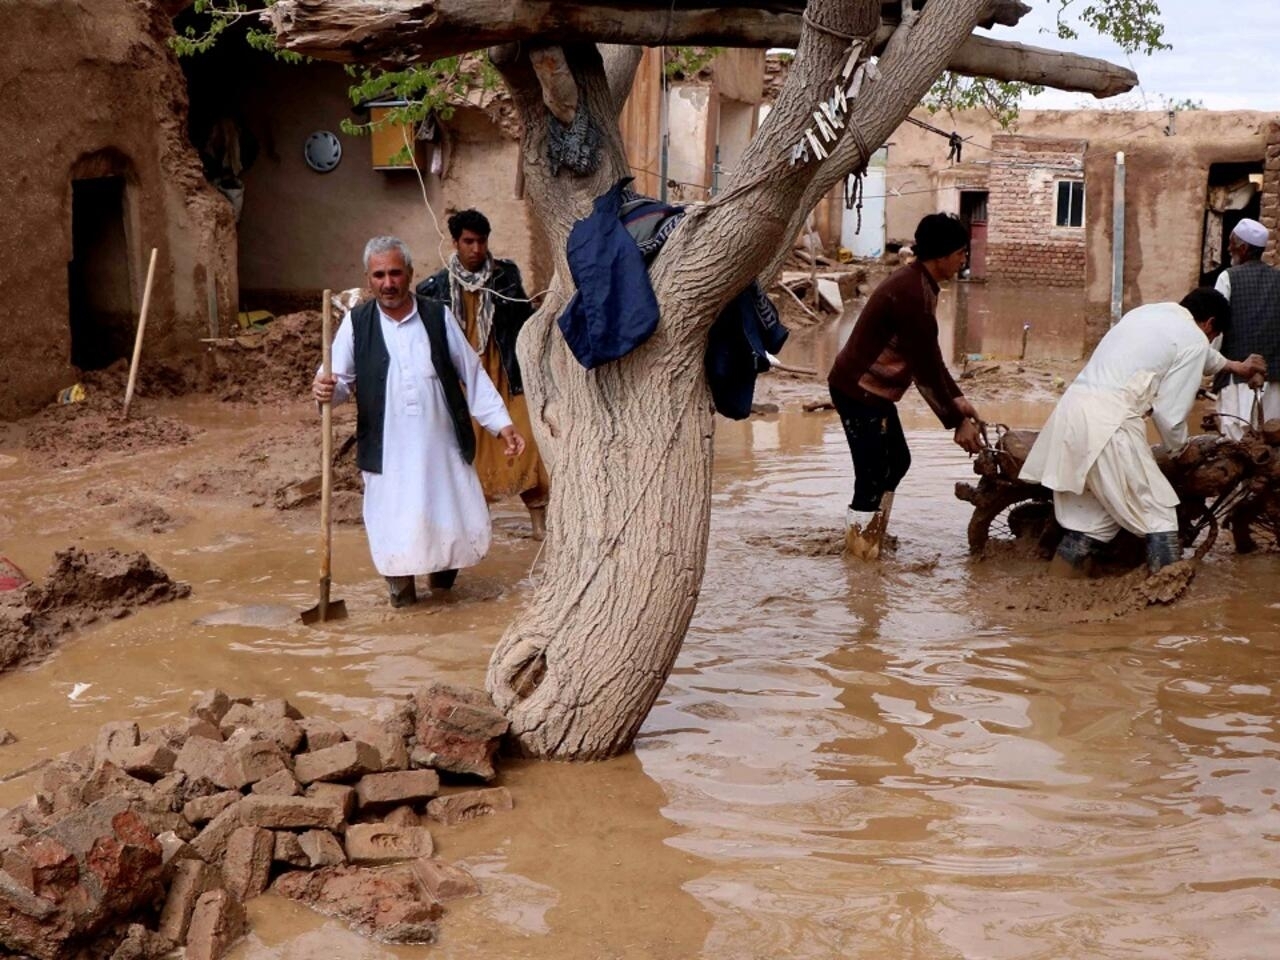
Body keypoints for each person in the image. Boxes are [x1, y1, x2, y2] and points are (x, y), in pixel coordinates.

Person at [312, 236, 525, 608]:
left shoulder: (437, 315)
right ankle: (403, 598)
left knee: (447, 522)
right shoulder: (356, 325)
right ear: (368, 279)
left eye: (395, 273)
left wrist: (501, 424)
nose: (388, 283)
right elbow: (337, 384)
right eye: (379, 275)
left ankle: (443, 597)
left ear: (410, 274)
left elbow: (471, 374)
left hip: (440, 446)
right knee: (394, 525)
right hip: (387, 450)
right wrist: (325, 389)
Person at [1021, 288, 1265, 577]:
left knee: (1092, 522)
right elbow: (1169, 414)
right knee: (1160, 515)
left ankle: (1055, 593)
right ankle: (1165, 607)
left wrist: (1236, 366)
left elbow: (1196, 353)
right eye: (1212, 337)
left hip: (1071, 414)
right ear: (1210, 324)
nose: (1208, 343)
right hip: (1110, 425)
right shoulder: (1195, 340)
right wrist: (1181, 449)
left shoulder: (1148, 314)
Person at [827, 213, 984, 561]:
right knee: (870, 477)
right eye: (961, 253)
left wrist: (958, 400)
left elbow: (930, 356)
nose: (963, 260)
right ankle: (861, 559)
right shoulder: (912, 292)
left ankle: (873, 536)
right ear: (942, 255)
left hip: (873, 393)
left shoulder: (921, 284)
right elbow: (925, 370)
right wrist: (956, 422)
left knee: (896, 461)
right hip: (858, 391)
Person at [416, 210, 551, 539]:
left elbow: (523, 325)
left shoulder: (505, 278)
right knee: (469, 455)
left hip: (506, 376)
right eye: (469, 241)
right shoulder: (433, 289)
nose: (476, 248)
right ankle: (478, 531)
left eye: (481, 241)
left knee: (527, 444)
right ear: (455, 243)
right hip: (462, 385)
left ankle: (539, 527)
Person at [1214, 218, 1280, 439]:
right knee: (1269, 445)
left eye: (1231, 243)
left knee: (1235, 444)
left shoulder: (1227, 277)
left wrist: (1212, 362)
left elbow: (1217, 329)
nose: (1227, 248)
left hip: (1237, 379)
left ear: (1242, 247)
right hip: (1274, 382)